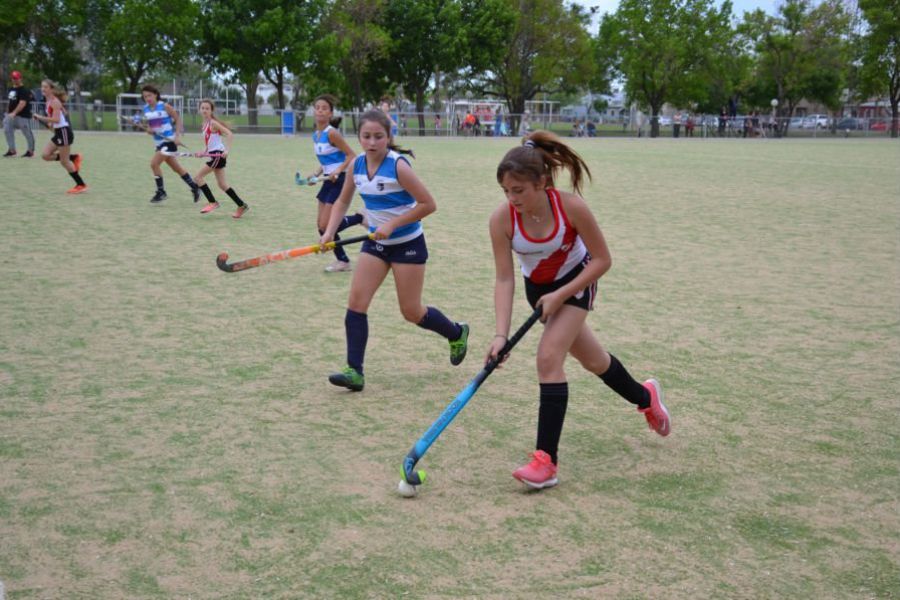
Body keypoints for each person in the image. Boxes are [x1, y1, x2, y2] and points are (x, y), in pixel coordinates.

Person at [486, 131, 670, 490]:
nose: (512, 198)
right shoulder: (502, 220)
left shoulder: (571, 208)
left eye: (519, 190)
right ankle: (646, 398)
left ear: (542, 182)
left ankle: (546, 462)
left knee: (548, 358)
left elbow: (603, 260)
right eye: (506, 191)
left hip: (577, 282)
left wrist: (562, 295)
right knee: (594, 361)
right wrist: (500, 336)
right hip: (537, 292)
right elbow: (505, 280)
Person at [320, 109, 469, 392]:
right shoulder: (356, 166)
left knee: (411, 311)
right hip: (376, 243)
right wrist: (329, 232)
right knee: (356, 303)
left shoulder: (398, 166)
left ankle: (456, 332)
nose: (372, 142)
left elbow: (428, 204)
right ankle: (355, 371)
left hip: (407, 244)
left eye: (378, 136)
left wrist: (393, 225)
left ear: (389, 137)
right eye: (366, 136)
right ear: (359, 137)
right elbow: (341, 202)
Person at [306, 94, 363, 271]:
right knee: (321, 226)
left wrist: (338, 171)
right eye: (318, 107)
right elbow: (327, 162)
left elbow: (351, 155)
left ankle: (360, 218)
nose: (320, 111)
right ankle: (343, 260)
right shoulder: (316, 135)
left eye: (324, 108)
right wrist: (315, 174)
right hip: (327, 181)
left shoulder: (332, 133)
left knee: (326, 225)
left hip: (341, 180)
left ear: (330, 113)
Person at [140, 84, 200, 204]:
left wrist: (177, 135)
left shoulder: (164, 106)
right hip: (158, 142)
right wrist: (149, 130)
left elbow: (177, 119)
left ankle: (161, 192)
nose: (148, 98)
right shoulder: (146, 109)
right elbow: (155, 127)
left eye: (149, 95)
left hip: (169, 141)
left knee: (154, 164)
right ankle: (195, 187)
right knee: (176, 168)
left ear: (155, 94)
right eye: (145, 96)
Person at [193, 99, 249, 218]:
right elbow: (210, 143)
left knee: (198, 177)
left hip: (218, 155)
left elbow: (229, 134)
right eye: (202, 108)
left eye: (207, 108)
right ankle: (241, 205)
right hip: (214, 155)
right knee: (222, 184)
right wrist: (203, 153)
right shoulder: (204, 125)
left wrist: (227, 150)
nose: (204, 110)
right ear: (199, 110)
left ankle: (213, 202)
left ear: (211, 110)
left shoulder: (213, 123)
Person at [32, 79, 87, 194]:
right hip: (59, 132)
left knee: (64, 162)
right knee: (45, 155)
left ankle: (81, 184)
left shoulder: (54, 101)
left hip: (64, 133)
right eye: (42, 87)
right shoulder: (49, 101)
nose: (43, 89)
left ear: (51, 89)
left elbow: (57, 119)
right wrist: (51, 124)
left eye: (46, 87)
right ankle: (74, 157)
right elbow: (62, 115)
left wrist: (41, 117)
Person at [4, 71, 35, 158]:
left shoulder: (24, 90)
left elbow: (22, 103)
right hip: (10, 116)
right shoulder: (11, 89)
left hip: (22, 116)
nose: (15, 80)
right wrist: (8, 112)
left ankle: (30, 151)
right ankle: (12, 150)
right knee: (7, 131)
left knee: (27, 133)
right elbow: (10, 102)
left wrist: (14, 113)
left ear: (20, 78)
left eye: (16, 78)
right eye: (13, 78)